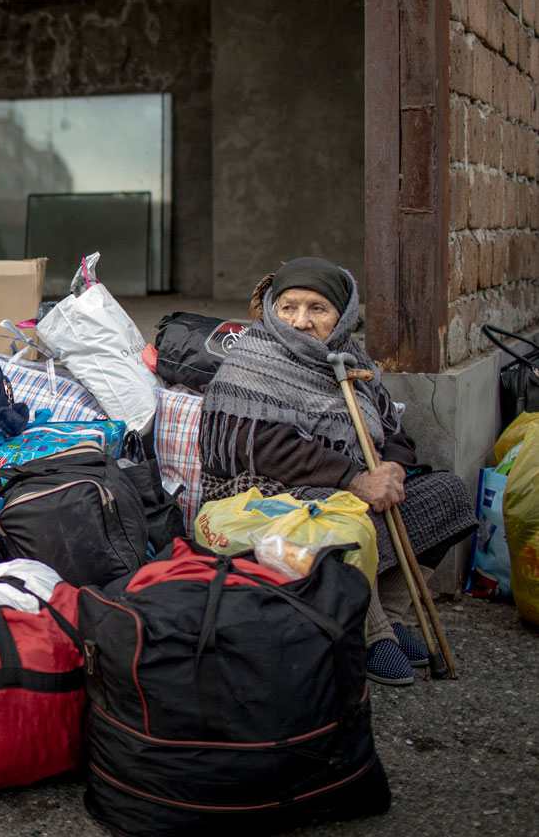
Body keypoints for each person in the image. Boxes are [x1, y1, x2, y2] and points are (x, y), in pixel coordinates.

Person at [199, 256, 476, 686]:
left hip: (353, 494)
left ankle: (394, 613)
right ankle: (370, 632)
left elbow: (390, 427)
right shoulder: (249, 365)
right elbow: (265, 448)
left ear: (343, 315)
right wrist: (355, 480)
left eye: (317, 309)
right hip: (269, 503)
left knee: (448, 493)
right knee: (332, 515)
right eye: (288, 307)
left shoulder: (350, 360)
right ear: (271, 309)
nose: (300, 321)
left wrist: (393, 470)